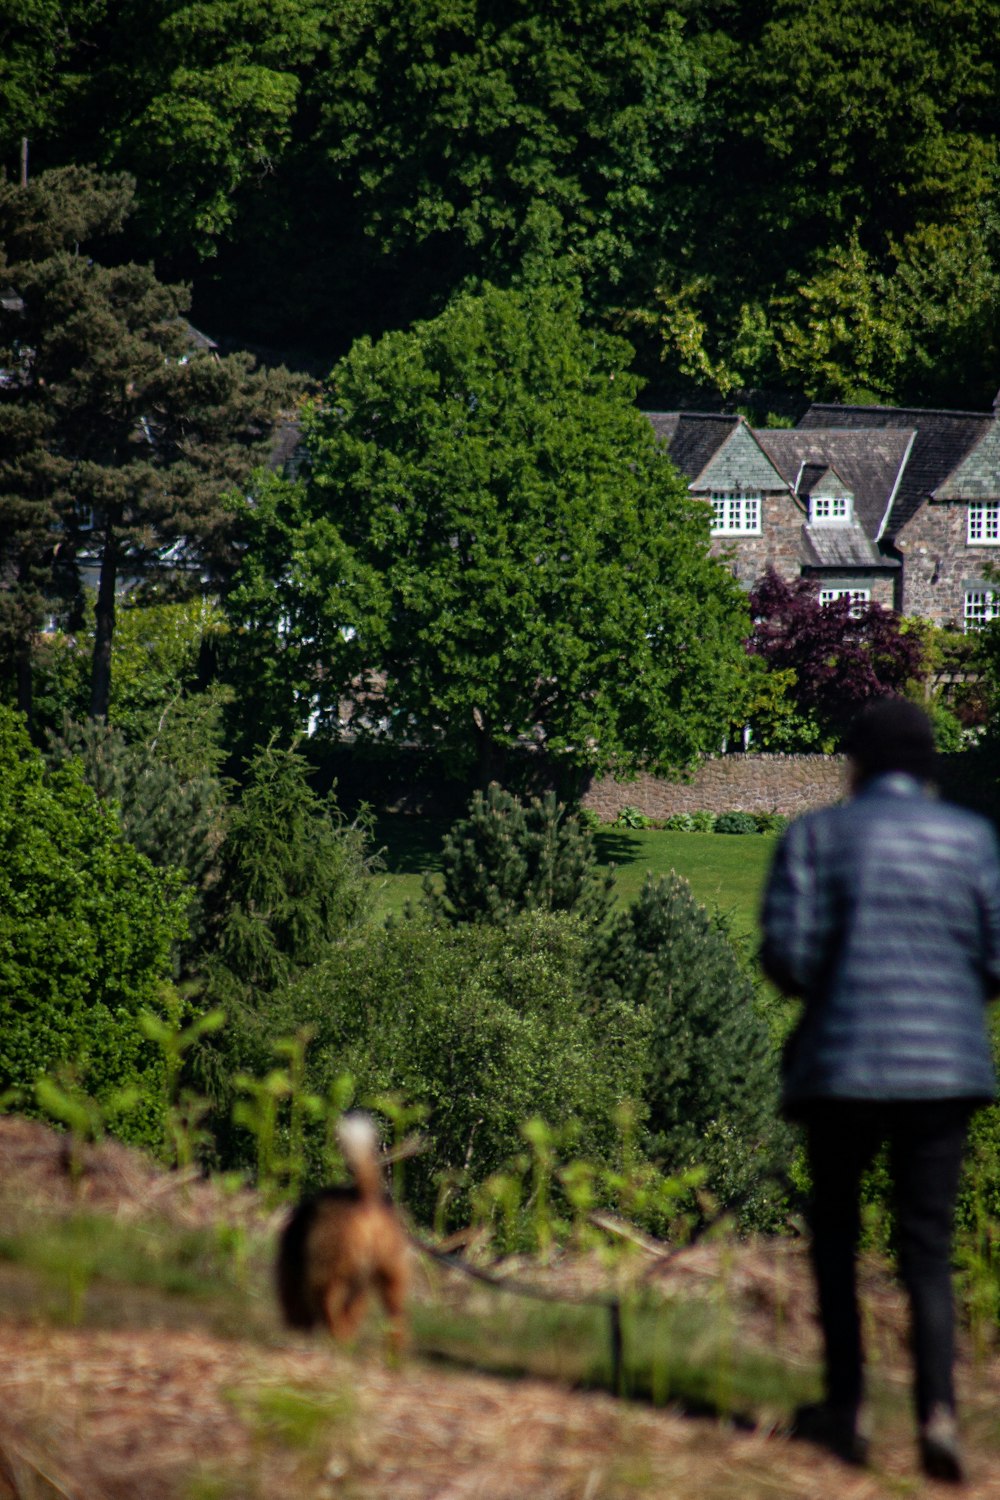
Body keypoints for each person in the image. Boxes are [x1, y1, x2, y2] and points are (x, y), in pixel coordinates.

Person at [760, 697, 1000, 1483]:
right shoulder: (974, 842)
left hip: (843, 1066)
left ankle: (849, 1406)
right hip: (944, 1070)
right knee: (925, 1250)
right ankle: (937, 1414)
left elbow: (787, 959)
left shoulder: (816, 837)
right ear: (928, 765)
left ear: (855, 762)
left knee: (837, 1238)